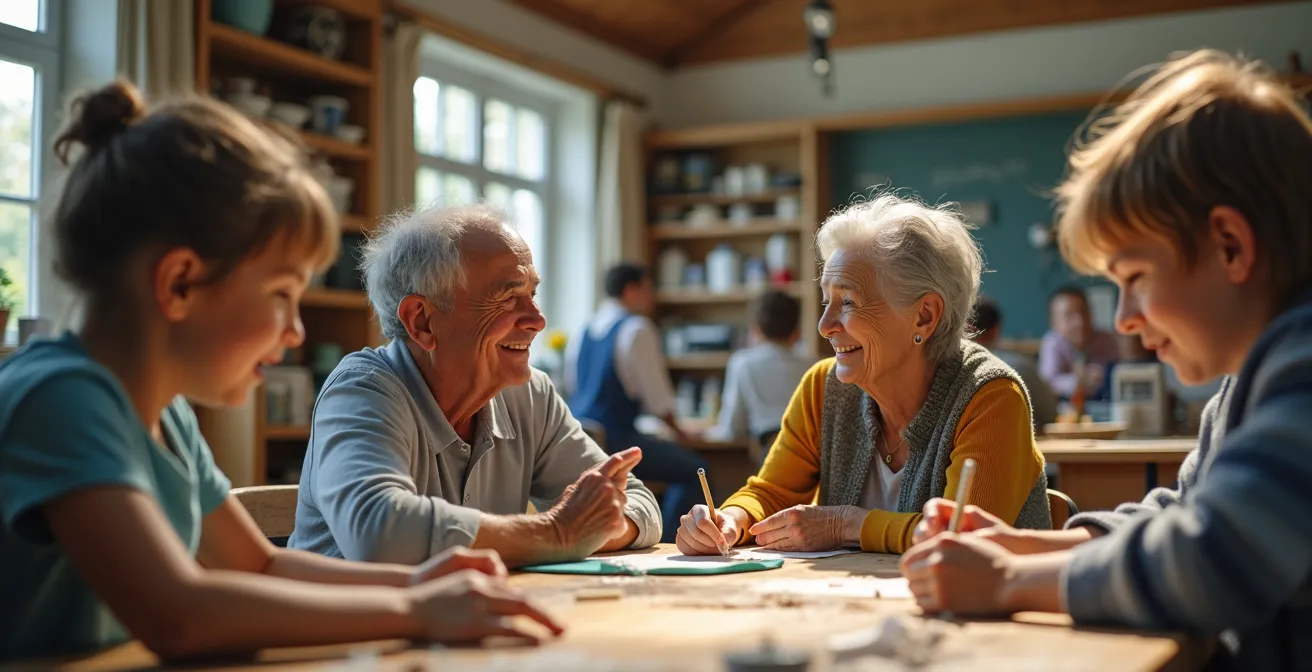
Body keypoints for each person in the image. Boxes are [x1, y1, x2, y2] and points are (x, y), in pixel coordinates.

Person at [0, 81, 561, 663]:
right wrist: (415, 611)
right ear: (180, 283)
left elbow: (261, 565)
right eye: (281, 294)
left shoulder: (165, 414)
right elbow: (178, 615)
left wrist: (423, 584)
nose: (295, 332)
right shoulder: (60, 398)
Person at [901, 50, 1312, 670]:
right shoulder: (1249, 377)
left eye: (1135, 278)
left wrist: (1008, 582)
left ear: (1230, 246)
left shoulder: (1303, 367)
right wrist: (1025, 546)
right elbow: (1183, 515)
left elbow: (1214, 556)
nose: (1122, 319)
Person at [675, 193, 1050, 557]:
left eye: (849, 302)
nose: (824, 326)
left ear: (924, 316)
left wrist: (846, 525)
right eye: (826, 301)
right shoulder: (823, 388)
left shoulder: (991, 396)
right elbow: (771, 494)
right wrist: (731, 519)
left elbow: (963, 538)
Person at [290, 205, 661, 567]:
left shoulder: (530, 395)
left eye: (532, 295)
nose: (537, 320)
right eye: (508, 297)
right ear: (422, 321)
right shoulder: (363, 390)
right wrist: (557, 533)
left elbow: (635, 501)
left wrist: (591, 525)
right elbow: (379, 532)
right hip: (359, 611)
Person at [565, 263, 709, 543]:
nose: (652, 296)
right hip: (615, 441)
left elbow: (572, 385)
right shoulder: (636, 328)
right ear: (631, 290)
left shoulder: (582, 329)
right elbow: (658, 400)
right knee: (695, 471)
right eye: (648, 289)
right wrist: (681, 433)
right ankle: (671, 542)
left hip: (581, 440)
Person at [705, 290, 813, 455]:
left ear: (755, 330)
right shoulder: (813, 366)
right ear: (796, 331)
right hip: (813, 456)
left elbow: (733, 427)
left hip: (770, 453)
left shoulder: (743, 363)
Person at [970, 299, 1058, 430]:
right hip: (1014, 440)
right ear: (996, 330)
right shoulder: (1021, 368)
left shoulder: (947, 370)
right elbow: (1049, 414)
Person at [1038, 285, 1119, 401]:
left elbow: (1120, 375)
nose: (1080, 322)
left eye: (1084, 312)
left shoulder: (1106, 341)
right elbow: (1047, 383)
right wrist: (1077, 382)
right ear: (1054, 323)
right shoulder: (1052, 343)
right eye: (1069, 316)